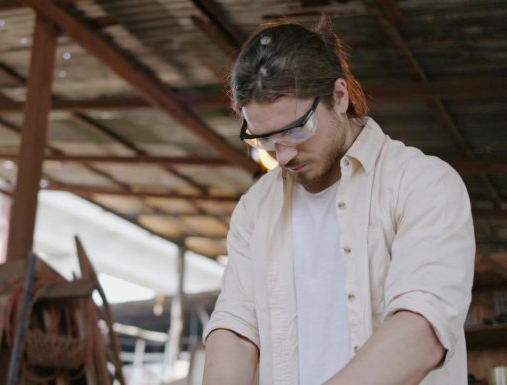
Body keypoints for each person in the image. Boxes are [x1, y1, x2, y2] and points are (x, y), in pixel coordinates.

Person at [202, 18, 475, 385]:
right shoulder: (255, 208)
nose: (282, 156)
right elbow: (236, 329)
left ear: (340, 96)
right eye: (265, 139)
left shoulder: (424, 184)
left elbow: (422, 329)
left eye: (296, 130)